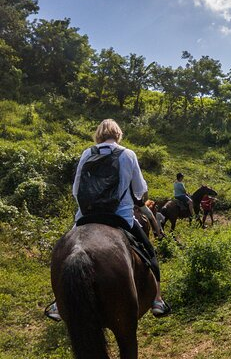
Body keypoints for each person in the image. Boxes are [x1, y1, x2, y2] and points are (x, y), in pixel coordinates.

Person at [45, 119, 170, 321]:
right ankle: (157, 299)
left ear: (98, 135)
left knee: (65, 250)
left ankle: (58, 303)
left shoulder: (87, 153)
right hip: (120, 218)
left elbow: (76, 191)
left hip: (86, 218)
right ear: (118, 135)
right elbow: (140, 189)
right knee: (149, 251)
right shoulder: (128, 154)